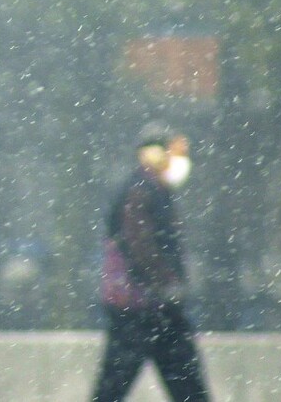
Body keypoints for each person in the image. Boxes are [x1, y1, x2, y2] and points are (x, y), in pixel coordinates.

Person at [91, 121, 210, 402]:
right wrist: (166, 283)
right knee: (184, 385)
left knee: (116, 387)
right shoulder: (142, 192)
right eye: (175, 153)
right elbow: (140, 244)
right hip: (144, 310)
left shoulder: (147, 190)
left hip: (145, 311)